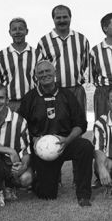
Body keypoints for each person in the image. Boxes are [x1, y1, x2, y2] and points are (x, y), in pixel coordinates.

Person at [18, 60, 93, 206]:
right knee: (48, 195)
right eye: (41, 72)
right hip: (42, 150)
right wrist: (33, 140)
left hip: (65, 143)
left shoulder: (67, 95)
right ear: (36, 77)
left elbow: (80, 124)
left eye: (48, 71)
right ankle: (36, 182)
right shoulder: (30, 98)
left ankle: (83, 194)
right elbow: (20, 126)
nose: (45, 74)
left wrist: (68, 139)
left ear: (55, 73)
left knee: (85, 146)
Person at [36, 5, 89, 112]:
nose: (62, 20)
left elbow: (85, 64)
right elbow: (40, 68)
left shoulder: (81, 39)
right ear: (53, 19)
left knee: (78, 123)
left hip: (76, 90)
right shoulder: (44, 41)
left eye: (65, 17)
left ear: (70, 18)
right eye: (58, 18)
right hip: (54, 91)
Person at [0, 17, 37, 112]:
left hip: (32, 103)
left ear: (27, 31)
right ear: (9, 32)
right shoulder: (2, 55)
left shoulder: (36, 54)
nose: (17, 32)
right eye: (14, 29)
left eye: (21, 29)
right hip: (9, 104)